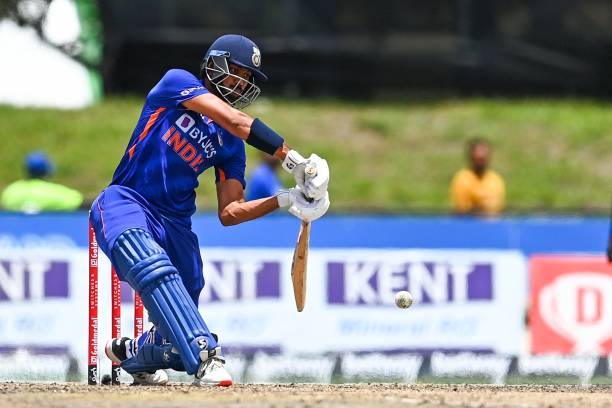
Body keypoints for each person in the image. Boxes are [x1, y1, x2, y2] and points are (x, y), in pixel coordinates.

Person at [91, 34, 330, 387]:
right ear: (214, 64)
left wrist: (285, 199)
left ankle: (134, 354)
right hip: (128, 201)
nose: (242, 83)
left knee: (174, 336)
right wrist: (292, 159)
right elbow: (236, 120)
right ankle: (206, 355)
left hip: (176, 224)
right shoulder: (177, 84)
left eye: (247, 79)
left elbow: (230, 211)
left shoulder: (232, 146)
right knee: (152, 267)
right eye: (237, 72)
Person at [1, 151, 83, 213]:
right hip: (50, 232)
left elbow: (5, 203)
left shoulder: (11, 191)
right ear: (48, 170)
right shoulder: (57, 192)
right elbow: (77, 201)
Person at [450, 139, 505, 216]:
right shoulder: (463, 179)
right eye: (478, 159)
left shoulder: (496, 179)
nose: (481, 162)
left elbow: (498, 208)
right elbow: (462, 210)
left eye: (483, 159)